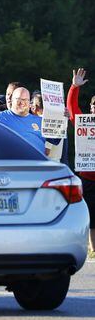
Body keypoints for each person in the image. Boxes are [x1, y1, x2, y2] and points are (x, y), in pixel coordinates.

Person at [66, 68, 95, 251]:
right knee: (91, 215)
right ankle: (93, 249)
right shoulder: (84, 122)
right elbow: (72, 109)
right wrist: (74, 87)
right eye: (93, 106)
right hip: (88, 175)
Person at [0, 87, 47, 155]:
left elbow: (57, 136)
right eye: (18, 99)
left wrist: (62, 115)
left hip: (38, 164)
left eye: (25, 99)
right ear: (12, 100)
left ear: (29, 102)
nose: (22, 102)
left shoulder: (41, 121)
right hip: (14, 163)